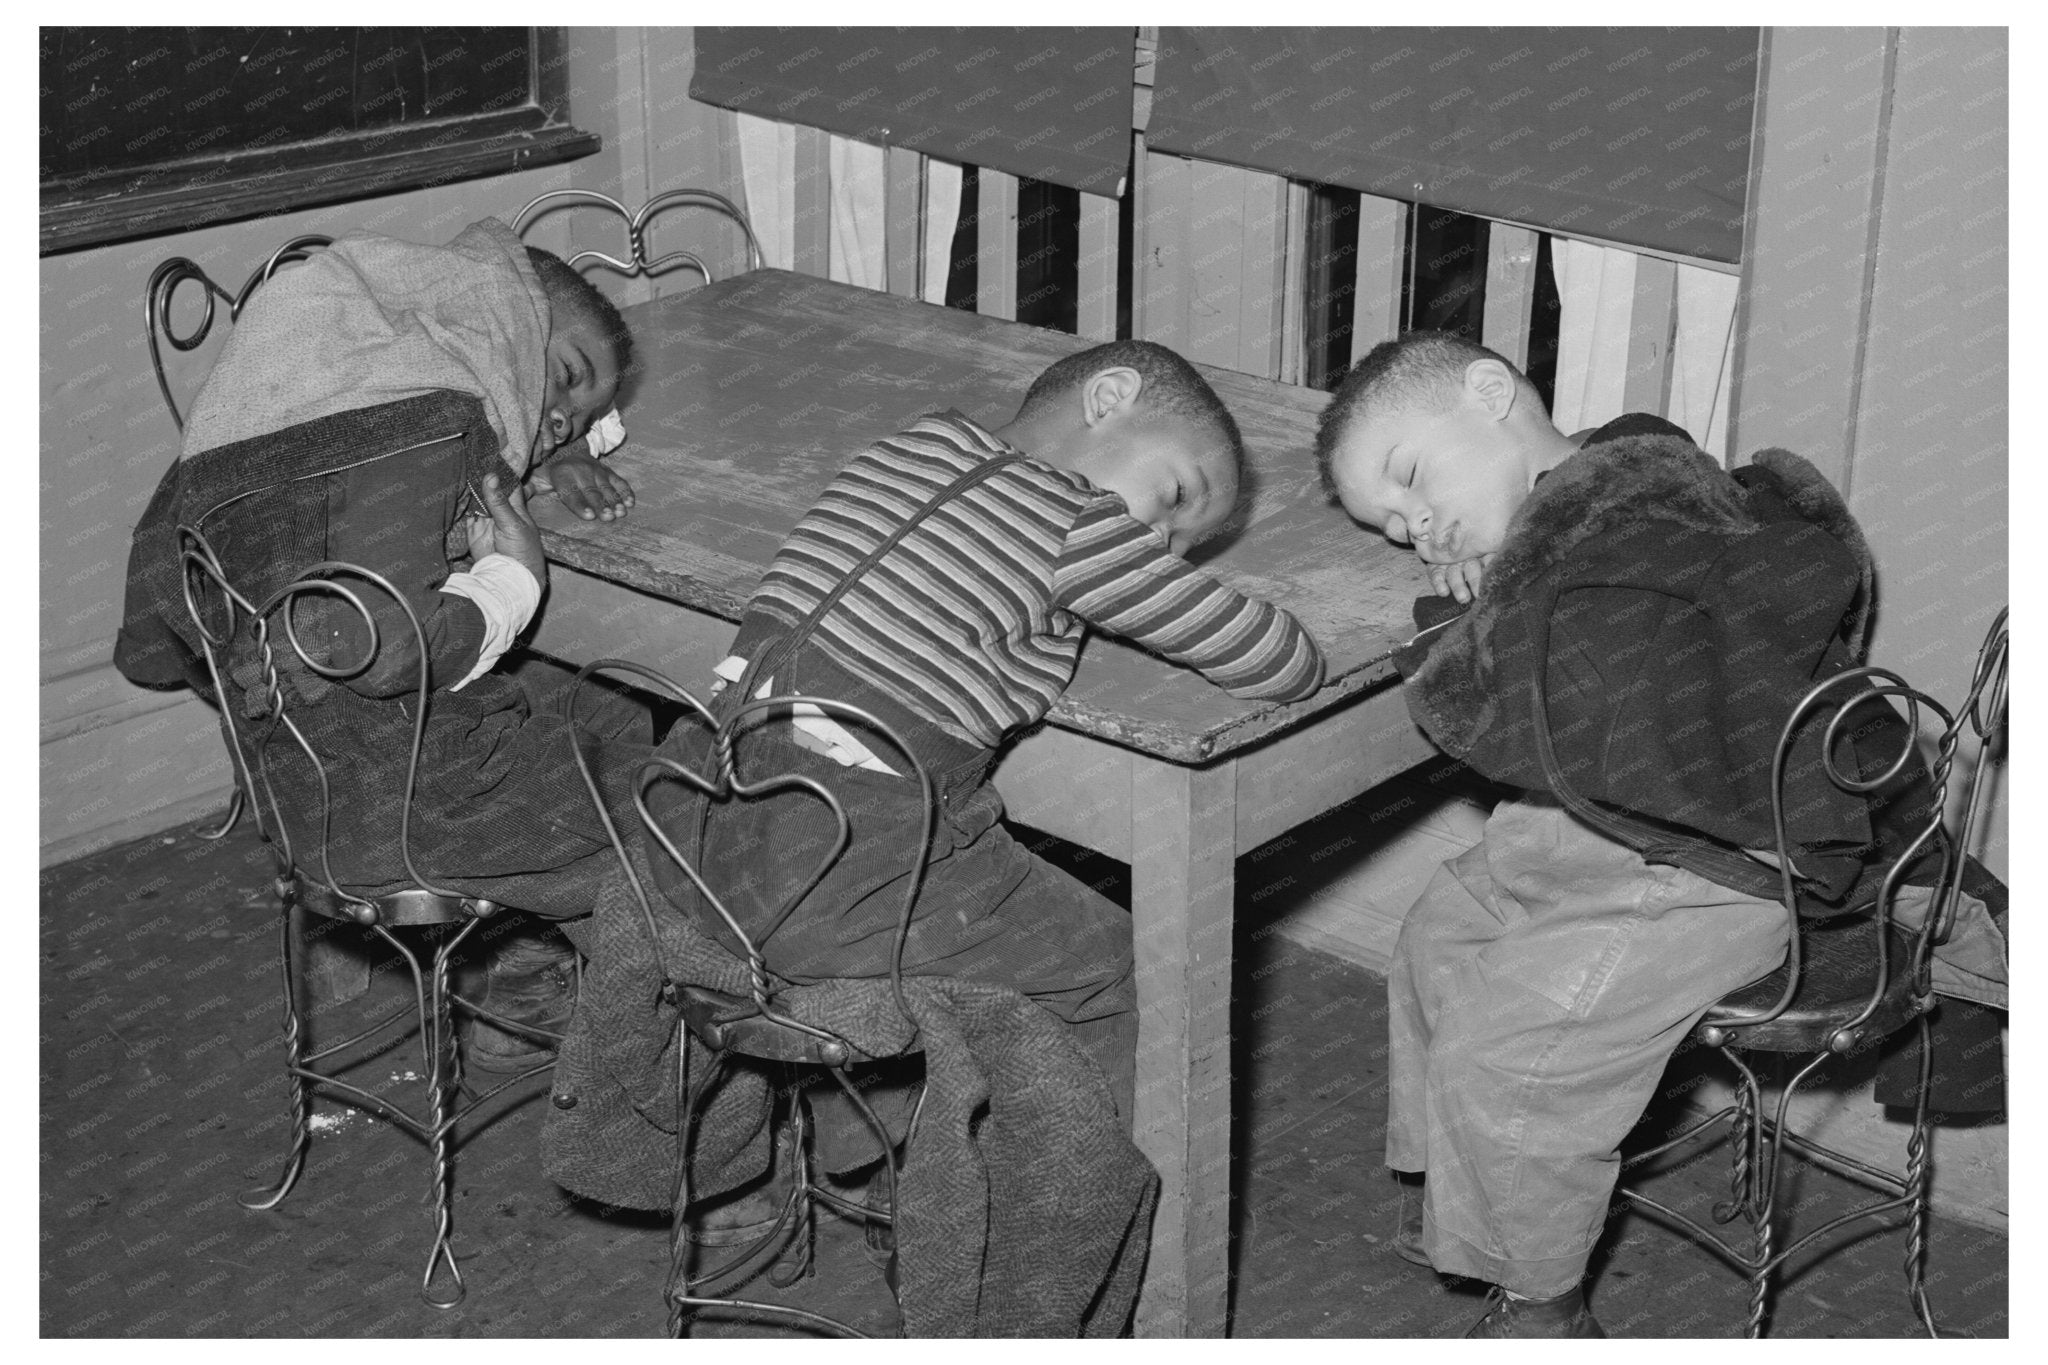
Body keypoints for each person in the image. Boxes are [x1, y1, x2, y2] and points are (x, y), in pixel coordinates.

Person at [1314, 330, 2005, 1338]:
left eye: (1411, 477)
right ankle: (1476, 1204)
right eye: (1392, 525)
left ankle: (1541, 1301)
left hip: (1706, 865)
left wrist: (1473, 618)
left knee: (1514, 1066)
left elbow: (1553, 686)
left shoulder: (1639, 504)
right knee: (1434, 938)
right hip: (1584, 835)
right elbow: (1542, 693)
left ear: (1488, 390)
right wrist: (1490, 597)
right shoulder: (1559, 531)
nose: (1415, 524)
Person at [650, 338, 1325, 1146]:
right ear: (1109, 398)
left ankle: (877, 1157)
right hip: (830, 873)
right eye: (1176, 495)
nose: (1162, 548)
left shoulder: (914, 443)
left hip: (685, 824)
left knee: (976, 910)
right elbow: (1278, 660)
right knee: (1125, 969)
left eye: (1186, 548)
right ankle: (1019, 1231)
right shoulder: (1077, 524)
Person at [115, 218, 649, 1068]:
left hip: (300, 792)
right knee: (680, 801)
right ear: (498, 314)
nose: (555, 422)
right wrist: (512, 583)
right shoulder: (424, 427)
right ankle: (647, 1097)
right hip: (408, 806)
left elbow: (152, 639)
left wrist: (563, 438)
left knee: (601, 714)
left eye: (576, 418)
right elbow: (371, 640)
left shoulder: (298, 399)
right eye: (566, 382)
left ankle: (516, 979)